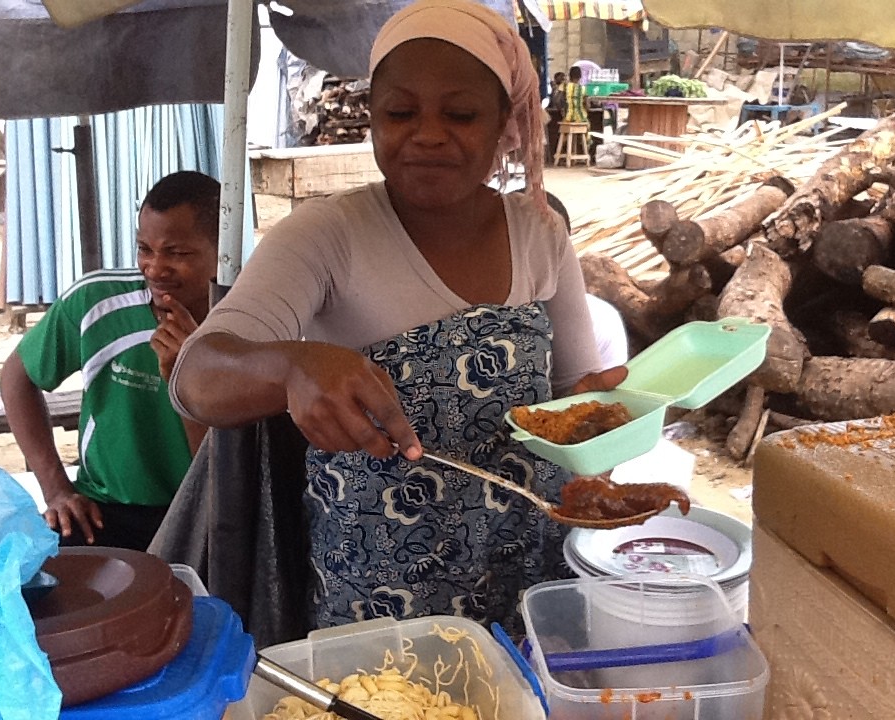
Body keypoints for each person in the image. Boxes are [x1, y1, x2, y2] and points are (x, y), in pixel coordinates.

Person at [169, 0, 627, 632]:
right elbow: (196, 377)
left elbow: (569, 397)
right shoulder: (326, 236)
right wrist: (291, 366)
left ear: (504, 125)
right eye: (400, 112)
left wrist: (615, 411)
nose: (429, 134)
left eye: (461, 113)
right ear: (373, 120)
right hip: (380, 598)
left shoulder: (540, 235)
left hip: (529, 580)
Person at [0, 171, 219, 551]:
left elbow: (221, 466)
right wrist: (55, 489)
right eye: (144, 249)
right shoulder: (97, 302)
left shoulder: (244, 322)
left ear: (224, 250)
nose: (154, 268)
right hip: (102, 512)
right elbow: (17, 377)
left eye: (177, 253)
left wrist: (186, 376)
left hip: (207, 513)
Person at [546, 71, 567, 163]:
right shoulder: (554, 89)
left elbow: (558, 102)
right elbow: (557, 101)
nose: (563, 80)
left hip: (558, 115)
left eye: (564, 78)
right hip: (556, 115)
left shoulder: (562, 89)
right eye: (561, 78)